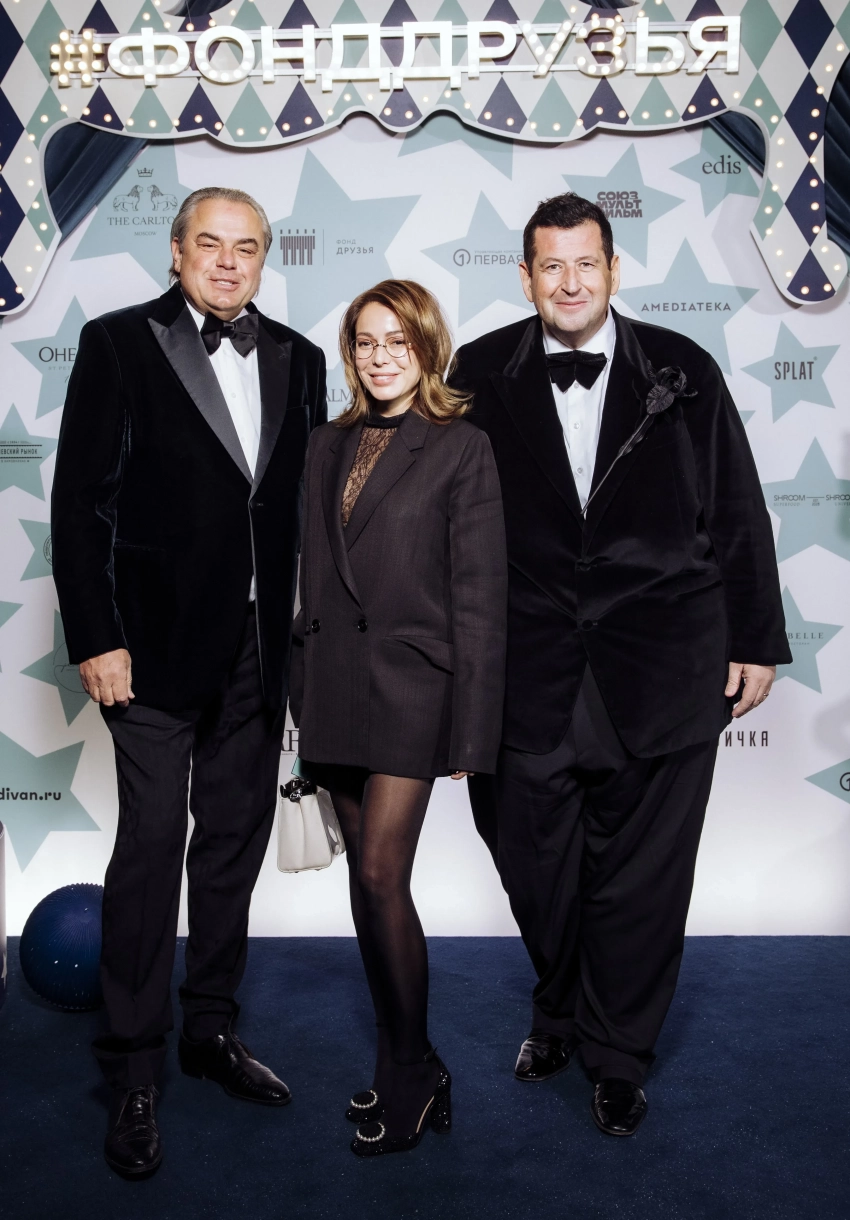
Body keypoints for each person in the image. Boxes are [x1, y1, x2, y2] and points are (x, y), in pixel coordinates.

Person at [450, 192, 791, 1137]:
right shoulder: (475, 372)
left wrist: (757, 638)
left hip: (663, 660)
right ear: (525, 277)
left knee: (642, 878)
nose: (570, 282)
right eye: (551, 266)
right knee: (534, 866)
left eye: (586, 263)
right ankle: (559, 1006)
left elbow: (735, 506)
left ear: (613, 269)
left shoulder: (682, 368)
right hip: (524, 666)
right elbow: (440, 522)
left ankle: (617, 1054)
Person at [51, 187, 327, 1178]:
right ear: (176, 252)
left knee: (230, 844)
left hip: (261, 648)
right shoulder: (117, 343)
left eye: (245, 247)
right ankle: (133, 1067)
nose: (227, 261)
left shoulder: (301, 356)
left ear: (263, 258)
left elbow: (300, 512)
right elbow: (80, 503)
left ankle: (210, 1028)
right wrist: (98, 637)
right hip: (151, 648)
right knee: (152, 844)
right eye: (209, 243)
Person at [289, 279, 507, 1156]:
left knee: (381, 875)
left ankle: (411, 1071)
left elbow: (480, 598)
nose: (381, 357)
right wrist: (298, 695)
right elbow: (310, 578)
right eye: (366, 342)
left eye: (398, 342)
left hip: (415, 690)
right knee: (366, 886)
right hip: (335, 687)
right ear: (351, 353)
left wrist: (472, 731)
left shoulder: (463, 447)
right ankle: (403, 1058)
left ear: (427, 349)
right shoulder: (324, 444)